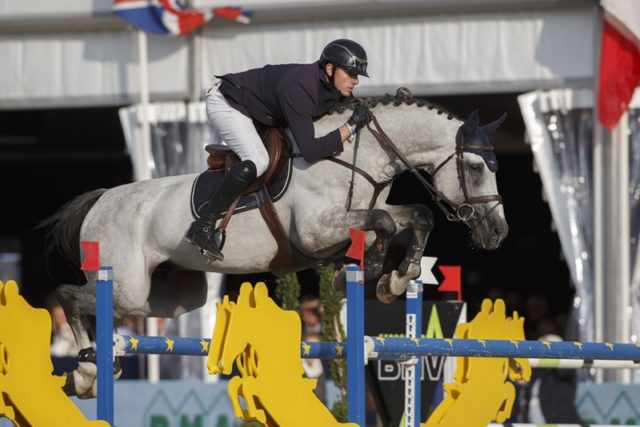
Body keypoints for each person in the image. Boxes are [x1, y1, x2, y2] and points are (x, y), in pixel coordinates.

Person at [186, 39, 374, 261]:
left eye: (358, 75)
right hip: (227, 103)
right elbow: (311, 151)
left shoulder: (330, 85)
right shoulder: (301, 88)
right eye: (351, 73)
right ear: (331, 69)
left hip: (258, 110)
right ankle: (203, 225)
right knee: (258, 160)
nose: (356, 81)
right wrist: (350, 127)